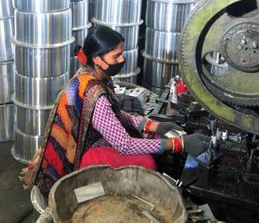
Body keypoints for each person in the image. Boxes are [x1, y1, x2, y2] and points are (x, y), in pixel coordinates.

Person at [21, 25, 210, 194]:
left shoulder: (92, 75)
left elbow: (114, 115)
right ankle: (104, 192)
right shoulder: (95, 92)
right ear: (97, 59)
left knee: (150, 137)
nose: (122, 59)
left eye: (121, 53)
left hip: (88, 139)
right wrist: (179, 144)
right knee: (147, 161)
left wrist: (151, 126)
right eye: (116, 56)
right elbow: (124, 145)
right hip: (80, 156)